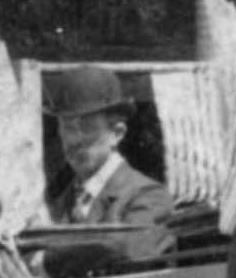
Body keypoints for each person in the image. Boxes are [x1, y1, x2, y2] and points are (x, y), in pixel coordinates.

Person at [34, 65, 172, 258]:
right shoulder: (56, 204)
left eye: (86, 127)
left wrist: (46, 261)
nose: (74, 140)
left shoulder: (149, 196)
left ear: (117, 133)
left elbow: (129, 248)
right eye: (68, 127)